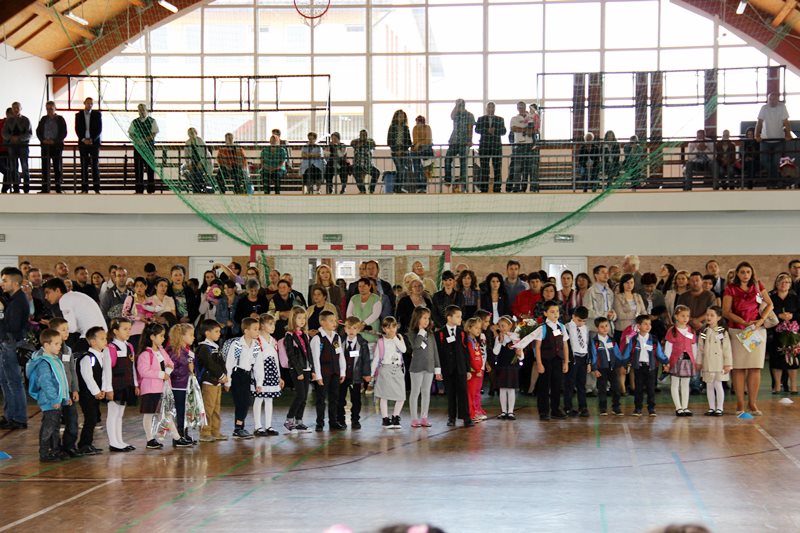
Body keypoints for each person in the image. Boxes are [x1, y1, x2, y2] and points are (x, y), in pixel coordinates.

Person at [723, 261, 773, 416]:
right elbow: (726, 311)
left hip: (756, 331)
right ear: (737, 274)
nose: (745, 275)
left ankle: (752, 403)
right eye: (742, 272)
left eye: (748, 272)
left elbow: (770, 304)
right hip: (737, 331)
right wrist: (743, 322)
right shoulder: (730, 288)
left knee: (755, 367)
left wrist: (761, 320)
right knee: (738, 368)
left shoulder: (758, 285)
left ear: (752, 273)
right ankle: (740, 403)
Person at [518, 301, 570, 420]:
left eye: (557, 311)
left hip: (558, 360)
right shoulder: (542, 328)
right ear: (545, 313)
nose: (555, 314)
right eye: (552, 312)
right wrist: (539, 363)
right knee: (544, 386)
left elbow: (565, 345)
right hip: (546, 360)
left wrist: (566, 361)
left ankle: (555, 409)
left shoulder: (562, 327)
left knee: (557, 385)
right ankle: (543, 411)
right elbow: (537, 347)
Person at [136, 323, 185, 450]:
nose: (163, 338)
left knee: (167, 414)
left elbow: (170, 363)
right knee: (149, 414)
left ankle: (177, 438)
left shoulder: (161, 351)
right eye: (161, 336)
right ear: (152, 337)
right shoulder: (145, 354)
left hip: (163, 388)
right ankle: (150, 439)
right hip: (150, 389)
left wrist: (167, 371)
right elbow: (143, 371)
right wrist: (161, 374)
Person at [25, 329, 71, 462]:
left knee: (55, 427)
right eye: (56, 344)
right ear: (46, 345)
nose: (59, 346)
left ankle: (55, 450)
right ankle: (44, 452)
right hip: (50, 401)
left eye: (60, 344)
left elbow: (61, 381)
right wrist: (54, 399)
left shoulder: (55, 360)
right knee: (49, 427)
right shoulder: (44, 363)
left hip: (56, 400)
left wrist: (65, 397)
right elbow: (46, 383)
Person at [0, 267, 30, 429]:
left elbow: (13, 326)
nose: (2, 283)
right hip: (7, 344)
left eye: (5, 280)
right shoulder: (12, 299)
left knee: (14, 382)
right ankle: (9, 415)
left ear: (15, 283)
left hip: (12, 344)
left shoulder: (18, 301)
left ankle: (19, 418)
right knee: (5, 381)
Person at [43, 277, 107, 352]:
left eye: (48, 292)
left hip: (91, 337)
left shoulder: (64, 299)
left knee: (72, 356)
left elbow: (71, 328)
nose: (46, 297)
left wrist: (54, 326)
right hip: (102, 335)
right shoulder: (74, 295)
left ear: (57, 290)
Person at [76, 326, 113, 456]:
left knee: (93, 419)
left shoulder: (100, 356)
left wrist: (102, 390)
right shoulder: (88, 358)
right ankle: (84, 445)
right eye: (102, 339)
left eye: (105, 338)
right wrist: (96, 391)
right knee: (90, 419)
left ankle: (88, 443)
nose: (105, 341)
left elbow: (102, 375)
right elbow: (88, 376)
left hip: (95, 394)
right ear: (92, 342)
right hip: (87, 394)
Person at [48, 318, 81, 456]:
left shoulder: (68, 350)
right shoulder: (49, 351)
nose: (67, 332)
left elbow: (72, 370)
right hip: (55, 393)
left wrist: (75, 389)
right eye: (63, 330)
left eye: (67, 329)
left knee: (72, 420)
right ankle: (54, 448)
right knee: (53, 422)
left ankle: (69, 446)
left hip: (68, 392)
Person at [435, 305, 473, 427]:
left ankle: (466, 417)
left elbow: (466, 352)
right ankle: (451, 417)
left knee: (463, 393)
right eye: (457, 316)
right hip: (447, 369)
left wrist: (468, 369)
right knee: (450, 394)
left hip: (460, 368)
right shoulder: (440, 334)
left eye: (460, 316)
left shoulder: (462, 333)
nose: (460, 319)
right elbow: (437, 353)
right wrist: (438, 370)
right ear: (449, 317)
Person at [623, 315, 667, 417]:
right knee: (638, 389)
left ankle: (651, 408)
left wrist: (666, 362)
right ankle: (638, 408)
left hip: (651, 368)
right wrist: (623, 363)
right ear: (638, 326)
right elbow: (627, 352)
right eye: (645, 324)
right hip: (638, 367)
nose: (648, 326)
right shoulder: (633, 340)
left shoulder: (654, 339)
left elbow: (659, 353)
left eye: (649, 324)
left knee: (651, 389)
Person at [224, 317, 260, 439]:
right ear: (246, 331)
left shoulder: (255, 346)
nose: (257, 331)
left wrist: (259, 382)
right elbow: (230, 363)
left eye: (258, 329)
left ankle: (240, 427)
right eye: (255, 329)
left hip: (247, 375)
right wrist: (228, 381)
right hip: (237, 374)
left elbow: (258, 365)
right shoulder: (237, 345)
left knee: (246, 401)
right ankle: (238, 428)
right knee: (241, 402)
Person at [311, 310, 346, 431]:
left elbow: (340, 354)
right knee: (321, 399)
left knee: (334, 398)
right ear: (322, 322)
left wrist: (342, 371)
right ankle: (320, 423)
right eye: (331, 321)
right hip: (323, 373)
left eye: (335, 320)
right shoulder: (317, 338)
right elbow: (315, 359)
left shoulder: (336, 337)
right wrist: (318, 376)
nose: (334, 323)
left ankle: (333, 421)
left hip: (335, 372)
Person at [106, 318, 137, 452]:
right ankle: (113, 442)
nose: (128, 332)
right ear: (115, 331)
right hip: (115, 385)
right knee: (113, 413)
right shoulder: (111, 348)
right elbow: (107, 370)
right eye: (125, 329)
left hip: (126, 384)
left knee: (120, 414)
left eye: (129, 329)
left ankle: (119, 441)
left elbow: (132, 366)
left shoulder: (129, 346)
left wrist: (135, 383)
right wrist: (108, 388)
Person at [407, 307, 441, 428]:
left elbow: (435, 351)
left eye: (428, 318)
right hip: (417, 367)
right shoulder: (412, 333)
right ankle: (414, 418)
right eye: (424, 318)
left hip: (429, 367)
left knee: (426, 392)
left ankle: (424, 417)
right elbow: (416, 345)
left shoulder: (430, 334)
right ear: (417, 318)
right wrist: (421, 332)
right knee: (415, 392)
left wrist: (437, 368)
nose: (427, 321)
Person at [195, 319, 228, 442]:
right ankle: (205, 432)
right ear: (207, 333)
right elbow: (209, 364)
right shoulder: (204, 348)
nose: (219, 334)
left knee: (216, 408)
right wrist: (221, 375)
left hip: (217, 382)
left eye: (219, 331)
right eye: (216, 331)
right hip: (209, 382)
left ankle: (215, 431)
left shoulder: (215, 347)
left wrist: (224, 375)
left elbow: (221, 363)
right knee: (208, 408)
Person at [696, 306, 733, 416]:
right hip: (707, 363)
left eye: (712, 315)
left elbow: (727, 349)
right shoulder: (704, 331)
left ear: (719, 317)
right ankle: (711, 408)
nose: (709, 317)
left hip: (719, 364)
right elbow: (700, 348)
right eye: (707, 315)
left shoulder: (722, 332)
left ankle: (719, 408)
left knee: (718, 384)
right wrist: (699, 362)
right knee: (709, 386)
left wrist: (728, 364)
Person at [337, 316, 372, 430]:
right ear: (345, 329)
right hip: (342, 376)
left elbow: (366, 360)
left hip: (356, 376)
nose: (351, 330)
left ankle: (355, 419)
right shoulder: (339, 341)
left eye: (354, 328)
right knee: (340, 399)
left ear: (359, 329)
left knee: (356, 399)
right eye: (349, 328)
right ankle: (340, 419)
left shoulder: (363, 343)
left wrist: (366, 374)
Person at [283, 306, 313, 433]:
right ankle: (289, 420)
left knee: (304, 396)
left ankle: (299, 421)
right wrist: (299, 371)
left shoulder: (305, 335)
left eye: (304, 318)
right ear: (293, 319)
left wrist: (312, 369)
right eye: (299, 318)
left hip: (306, 368)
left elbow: (309, 352)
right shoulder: (289, 335)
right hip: (296, 369)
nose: (302, 321)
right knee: (300, 395)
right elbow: (291, 355)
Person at [252, 314, 283, 437]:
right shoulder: (257, 340)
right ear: (262, 325)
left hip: (272, 371)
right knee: (259, 398)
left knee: (269, 398)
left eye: (273, 324)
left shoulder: (273, 340)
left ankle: (268, 425)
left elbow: (276, 359)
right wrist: (258, 377)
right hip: (260, 371)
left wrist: (279, 376)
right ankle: (258, 426)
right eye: (270, 324)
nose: (273, 326)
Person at [768, 273, 799, 394]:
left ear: (790, 285)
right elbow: (765, 312)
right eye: (781, 282)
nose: (784, 284)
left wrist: (792, 316)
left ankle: (793, 386)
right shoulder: (771, 297)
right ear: (776, 284)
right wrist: (779, 315)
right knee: (776, 359)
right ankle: (777, 386)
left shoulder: (795, 298)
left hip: (792, 333)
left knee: (792, 359)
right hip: (775, 333)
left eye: (787, 282)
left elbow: (799, 313)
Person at [664, 305, 697, 417]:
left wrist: (694, 360)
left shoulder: (691, 330)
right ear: (676, 316)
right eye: (683, 316)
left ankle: (685, 407)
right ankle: (678, 407)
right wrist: (666, 362)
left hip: (687, 360)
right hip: (676, 360)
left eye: (687, 316)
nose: (685, 318)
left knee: (685, 384)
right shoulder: (672, 331)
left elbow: (694, 346)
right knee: (675, 384)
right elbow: (668, 347)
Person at [167, 323, 196, 445]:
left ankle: (184, 433)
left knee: (185, 410)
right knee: (179, 411)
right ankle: (178, 436)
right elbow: (172, 369)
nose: (193, 337)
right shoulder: (175, 351)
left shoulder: (187, 351)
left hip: (186, 385)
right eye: (191, 335)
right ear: (182, 336)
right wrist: (187, 369)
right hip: (177, 385)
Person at [755, 92, 792, 187]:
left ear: (777, 99)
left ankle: (772, 181)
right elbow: (759, 122)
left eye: (774, 99)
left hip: (778, 140)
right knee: (764, 160)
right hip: (765, 140)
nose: (772, 101)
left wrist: (788, 134)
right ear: (768, 100)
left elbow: (786, 122)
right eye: (770, 99)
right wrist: (756, 135)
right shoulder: (764, 108)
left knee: (776, 161)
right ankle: (775, 180)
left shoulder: (782, 107)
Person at [590, 317, 624, 416]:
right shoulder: (595, 342)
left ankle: (616, 407)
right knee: (602, 388)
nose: (605, 328)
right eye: (602, 327)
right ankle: (603, 408)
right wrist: (595, 369)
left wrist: (622, 364)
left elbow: (617, 353)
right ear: (597, 328)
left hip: (612, 367)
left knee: (616, 387)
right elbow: (593, 355)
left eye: (606, 326)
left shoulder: (612, 340)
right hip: (601, 368)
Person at [492, 315, 522, 419]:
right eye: (500, 326)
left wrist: (519, 353)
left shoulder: (515, 338)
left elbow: (521, 355)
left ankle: (510, 411)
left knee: (511, 389)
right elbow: (495, 352)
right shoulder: (498, 338)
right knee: (503, 389)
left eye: (503, 326)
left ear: (510, 326)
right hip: (502, 365)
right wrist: (500, 341)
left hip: (512, 366)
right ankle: (504, 411)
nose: (501, 328)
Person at [35, 101, 68, 194]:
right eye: (47, 109)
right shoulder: (43, 119)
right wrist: (43, 140)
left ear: (55, 108)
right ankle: (45, 188)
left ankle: (58, 187)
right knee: (45, 168)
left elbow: (64, 133)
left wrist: (54, 141)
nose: (49, 110)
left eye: (51, 109)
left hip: (56, 146)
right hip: (45, 146)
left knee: (57, 167)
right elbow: (38, 131)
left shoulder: (60, 119)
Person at [443, 99, 475, 193]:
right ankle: (448, 179)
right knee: (447, 159)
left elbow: (470, 128)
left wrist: (469, 140)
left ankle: (463, 183)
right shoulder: (456, 114)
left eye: (460, 104)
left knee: (463, 163)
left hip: (464, 142)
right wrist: (456, 106)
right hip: (454, 141)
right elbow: (452, 116)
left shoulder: (469, 115)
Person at [474, 102, 506, 193]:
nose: (491, 109)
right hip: (484, 146)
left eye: (492, 107)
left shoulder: (500, 119)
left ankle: (497, 189)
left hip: (496, 147)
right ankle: (484, 189)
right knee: (484, 168)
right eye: (489, 107)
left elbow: (504, 131)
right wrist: (486, 130)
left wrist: (495, 130)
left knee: (497, 168)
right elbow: (476, 130)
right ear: (486, 108)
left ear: (495, 108)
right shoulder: (481, 119)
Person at [564, 306, 590, 417]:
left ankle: (583, 406)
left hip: (583, 358)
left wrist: (588, 362)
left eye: (584, 321)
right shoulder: (566, 327)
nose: (581, 323)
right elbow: (565, 345)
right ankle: (568, 407)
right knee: (569, 384)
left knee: (582, 384)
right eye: (579, 320)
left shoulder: (586, 328)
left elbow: (587, 345)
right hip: (572, 358)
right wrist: (566, 360)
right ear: (573, 316)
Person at [128, 103, 159, 194]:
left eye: (143, 110)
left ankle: (151, 189)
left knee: (150, 168)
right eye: (140, 110)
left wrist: (144, 140)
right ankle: (139, 189)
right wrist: (137, 140)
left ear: (146, 111)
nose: (141, 112)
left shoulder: (152, 121)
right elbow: (131, 133)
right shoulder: (134, 122)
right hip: (138, 148)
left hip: (149, 148)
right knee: (138, 168)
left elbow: (154, 133)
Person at [2, 101, 32, 193]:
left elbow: (29, 134)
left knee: (24, 167)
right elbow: (4, 133)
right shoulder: (8, 121)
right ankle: (16, 188)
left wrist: (19, 138)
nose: (15, 109)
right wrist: (11, 138)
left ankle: (26, 188)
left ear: (20, 108)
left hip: (23, 147)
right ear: (12, 109)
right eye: (14, 107)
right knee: (13, 168)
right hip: (12, 147)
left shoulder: (26, 120)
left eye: (17, 107)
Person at [75, 97, 102, 193]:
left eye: (91, 103)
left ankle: (96, 189)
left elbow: (99, 129)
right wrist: (83, 139)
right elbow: (77, 129)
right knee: (84, 166)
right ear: (84, 103)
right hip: (83, 144)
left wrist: (92, 139)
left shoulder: (97, 114)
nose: (89, 105)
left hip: (94, 143)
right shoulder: (78, 115)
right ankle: (84, 189)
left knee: (95, 166)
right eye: (88, 103)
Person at [509, 101, 535, 193]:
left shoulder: (531, 118)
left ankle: (524, 187)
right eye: (519, 107)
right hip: (518, 145)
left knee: (526, 168)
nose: (521, 108)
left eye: (522, 107)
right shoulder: (514, 118)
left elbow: (532, 131)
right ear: (517, 108)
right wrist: (525, 129)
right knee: (517, 167)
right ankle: (516, 187)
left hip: (529, 145)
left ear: (525, 107)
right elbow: (513, 129)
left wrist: (521, 129)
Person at [387, 110, 412, 192]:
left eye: (403, 117)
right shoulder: (392, 127)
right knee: (400, 169)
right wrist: (396, 150)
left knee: (402, 170)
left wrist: (402, 150)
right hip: (395, 152)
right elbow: (389, 141)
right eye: (400, 116)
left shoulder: (406, 128)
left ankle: (398, 188)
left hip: (404, 152)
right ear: (396, 117)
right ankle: (396, 188)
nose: (401, 118)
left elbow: (409, 142)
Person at [184, 127, 212, 193]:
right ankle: (195, 188)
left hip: (203, 161)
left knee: (198, 171)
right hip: (193, 161)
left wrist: (201, 162)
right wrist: (188, 163)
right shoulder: (187, 142)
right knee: (186, 170)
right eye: (190, 133)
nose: (191, 134)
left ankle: (199, 188)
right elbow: (186, 155)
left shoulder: (200, 141)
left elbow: (204, 153)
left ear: (196, 133)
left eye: (192, 133)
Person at [410, 116, 433, 193]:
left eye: (419, 122)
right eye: (417, 122)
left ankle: (424, 187)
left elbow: (428, 140)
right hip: (416, 152)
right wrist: (420, 143)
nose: (418, 124)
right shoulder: (415, 128)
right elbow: (415, 140)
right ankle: (418, 187)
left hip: (426, 151)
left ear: (423, 123)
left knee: (424, 170)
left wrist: (419, 143)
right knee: (416, 170)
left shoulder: (427, 128)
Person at [351, 129, 375, 194]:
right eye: (362, 135)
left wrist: (364, 143)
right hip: (358, 163)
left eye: (364, 135)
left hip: (368, 164)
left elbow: (374, 144)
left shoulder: (370, 141)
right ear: (359, 135)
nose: (363, 136)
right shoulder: (356, 141)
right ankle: (362, 190)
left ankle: (371, 189)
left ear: (367, 135)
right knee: (356, 173)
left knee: (376, 172)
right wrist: (361, 143)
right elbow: (352, 143)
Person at [0, 108, 10, 193]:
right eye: (10, 113)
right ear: (6, 114)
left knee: (8, 170)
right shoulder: (1, 122)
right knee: (6, 170)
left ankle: (4, 190)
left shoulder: (14, 123)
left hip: (9, 151)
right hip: (0, 150)